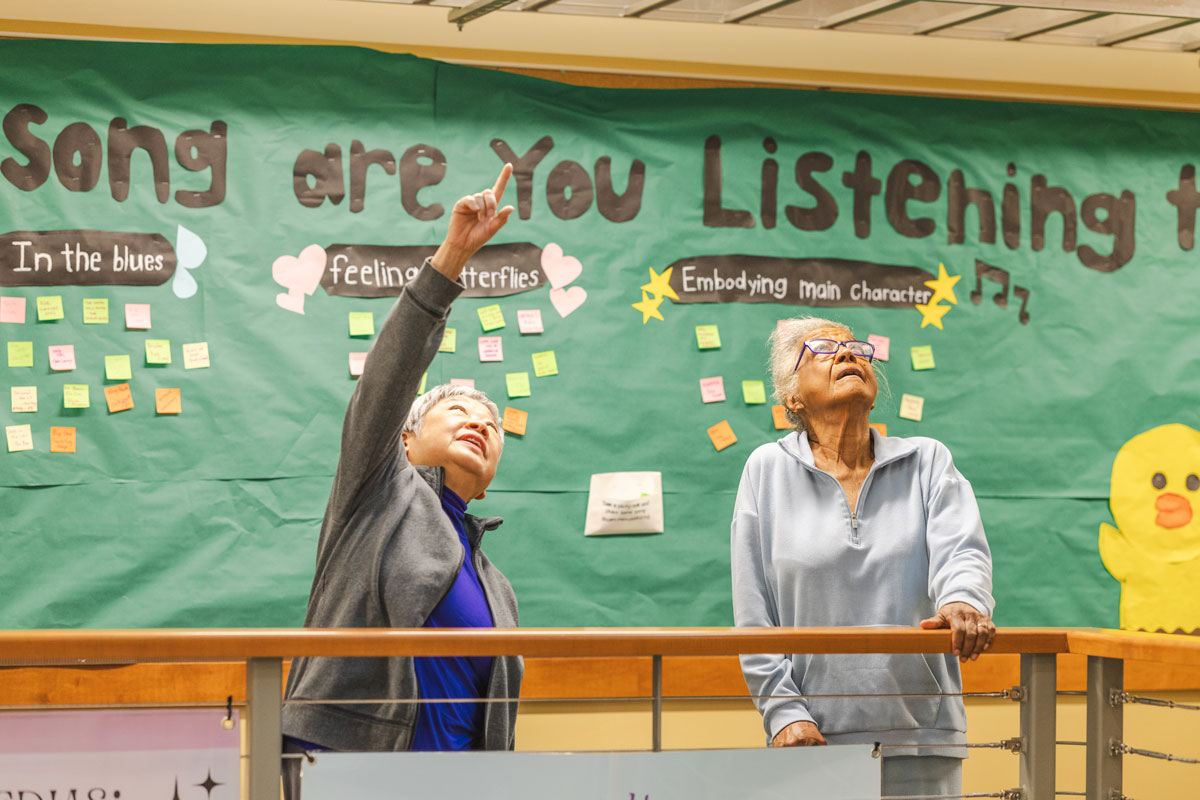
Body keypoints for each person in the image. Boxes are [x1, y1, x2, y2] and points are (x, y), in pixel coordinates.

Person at [280, 165, 521, 792]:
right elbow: (389, 376)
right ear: (405, 439)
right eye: (458, 409)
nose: (479, 421)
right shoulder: (378, 487)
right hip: (350, 766)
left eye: (491, 421)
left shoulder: (496, 583)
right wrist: (452, 260)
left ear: (491, 477)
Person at [731, 316, 995, 798]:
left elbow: (961, 551)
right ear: (792, 398)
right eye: (823, 349)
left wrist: (964, 600)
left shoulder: (927, 460)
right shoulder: (765, 470)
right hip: (812, 735)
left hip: (922, 731)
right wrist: (783, 712)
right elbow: (754, 611)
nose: (848, 353)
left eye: (854, 347)